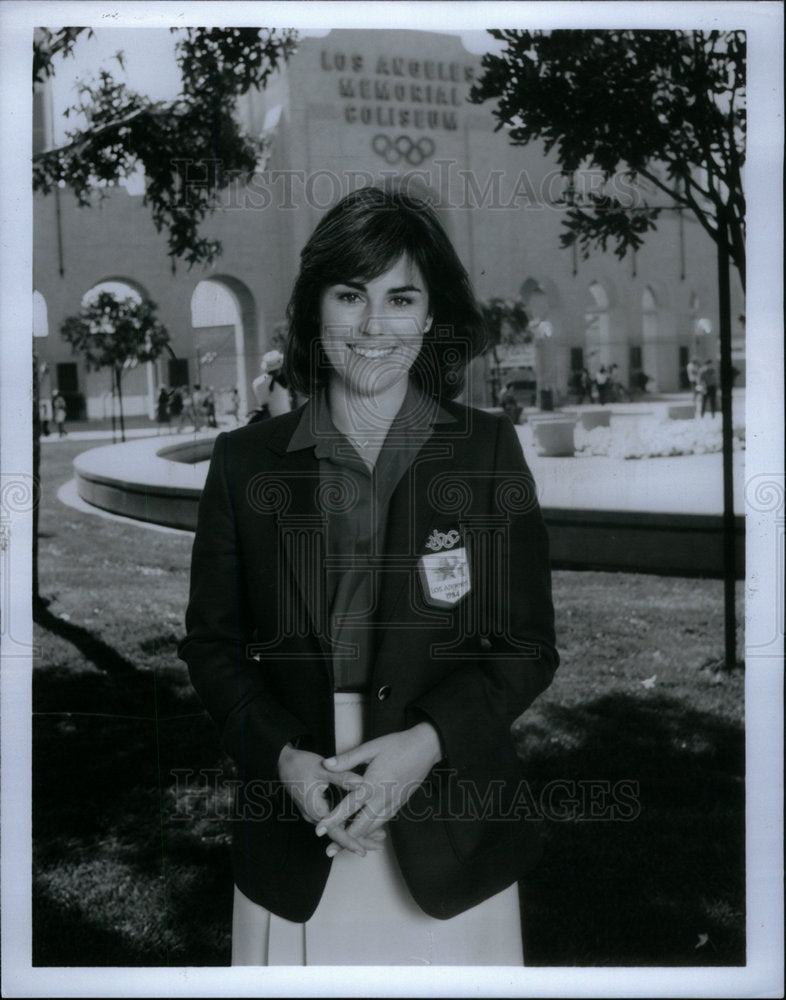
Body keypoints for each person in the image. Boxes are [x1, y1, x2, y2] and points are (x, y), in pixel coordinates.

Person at [178, 187, 559, 967]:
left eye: (401, 298)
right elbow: (211, 647)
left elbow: (526, 644)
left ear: (430, 316)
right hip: (297, 815)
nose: (375, 326)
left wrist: (424, 745)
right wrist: (284, 759)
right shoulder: (244, 462)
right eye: (351, 295)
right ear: (317, 308)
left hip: (447, 810)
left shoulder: (485, 453)